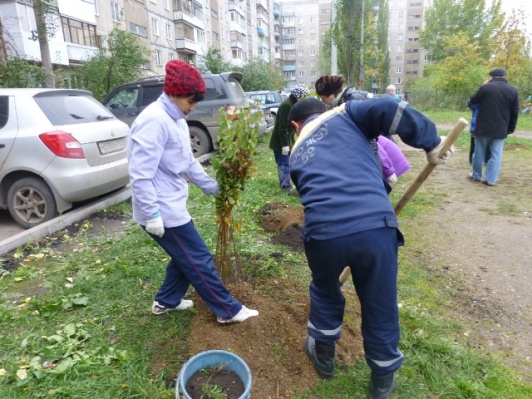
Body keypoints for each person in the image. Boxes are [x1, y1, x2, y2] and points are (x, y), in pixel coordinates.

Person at [287, 97, 453, 398]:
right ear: (324, 112)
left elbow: (310, 192)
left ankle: (323, 356)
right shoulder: (346, 113)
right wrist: (430, 142)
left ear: (295, 125)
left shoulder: (295, 154)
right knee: (380, 302)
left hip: (322, 234)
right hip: (374, 227)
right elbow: (390, 107)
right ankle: (382, 378)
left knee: (325, 290)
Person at [127, 60, 258, 324]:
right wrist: (152, 213)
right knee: (198, 258)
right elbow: (140, 174)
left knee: (183, 256)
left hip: (172, 201)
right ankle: (228, 310)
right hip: (162, 209)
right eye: (191, 100)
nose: (194, 106)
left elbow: (187, 161)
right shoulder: (154, 121)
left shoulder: (177, 120)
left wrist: (213, 187)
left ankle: (166, 301)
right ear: (174, 94)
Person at [468, 68, 519, 186]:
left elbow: (473, 100)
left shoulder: (486, 88)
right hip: (501, 128)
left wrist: (483, 85)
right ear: (504, 76)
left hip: (483, 127)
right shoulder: (513, 90)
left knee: (478, 152)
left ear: (491, 77)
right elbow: (515, 111)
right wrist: (510, 128)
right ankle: (491, 180)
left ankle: (476, 176)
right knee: (496, 154)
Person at [269, 83, 309, 191]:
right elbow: (283, 127)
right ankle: (285, 186)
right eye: (302, 97)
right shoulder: (287, 105)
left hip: (288, 139)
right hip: (280, 141)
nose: (303, 99)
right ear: (297, 95)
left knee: (290, 162)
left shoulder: (293, 104)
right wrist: (285, 145)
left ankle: (289, 183)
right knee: (284, 163)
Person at [467, 101, 490, 165]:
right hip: (475, 126)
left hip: (488, 126)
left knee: (488, 143)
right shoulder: (477, 102)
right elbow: (470, 103)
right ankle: (472, 160)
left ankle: (487, 160)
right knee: (474, 144)